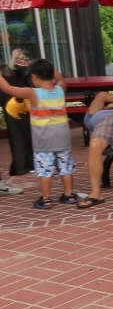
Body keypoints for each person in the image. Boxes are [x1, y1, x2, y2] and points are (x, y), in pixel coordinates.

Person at [0, 59, 78, 209]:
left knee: (45, 170)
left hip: (44, 141)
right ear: (51, 74)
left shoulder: (33, 93)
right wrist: (49, 67)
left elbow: (7, 88)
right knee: (66, 168)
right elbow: (61, 79)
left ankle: (46, 199)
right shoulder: (60, 89)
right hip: (63, 138)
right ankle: (69, 195)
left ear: (34, 77)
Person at [1, 49, 37, 183]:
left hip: (19, 113)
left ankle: (24, 164)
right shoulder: (26, 81)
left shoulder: (23, 81)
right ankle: (26, 163)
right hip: (21, 113)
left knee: (21, 137)